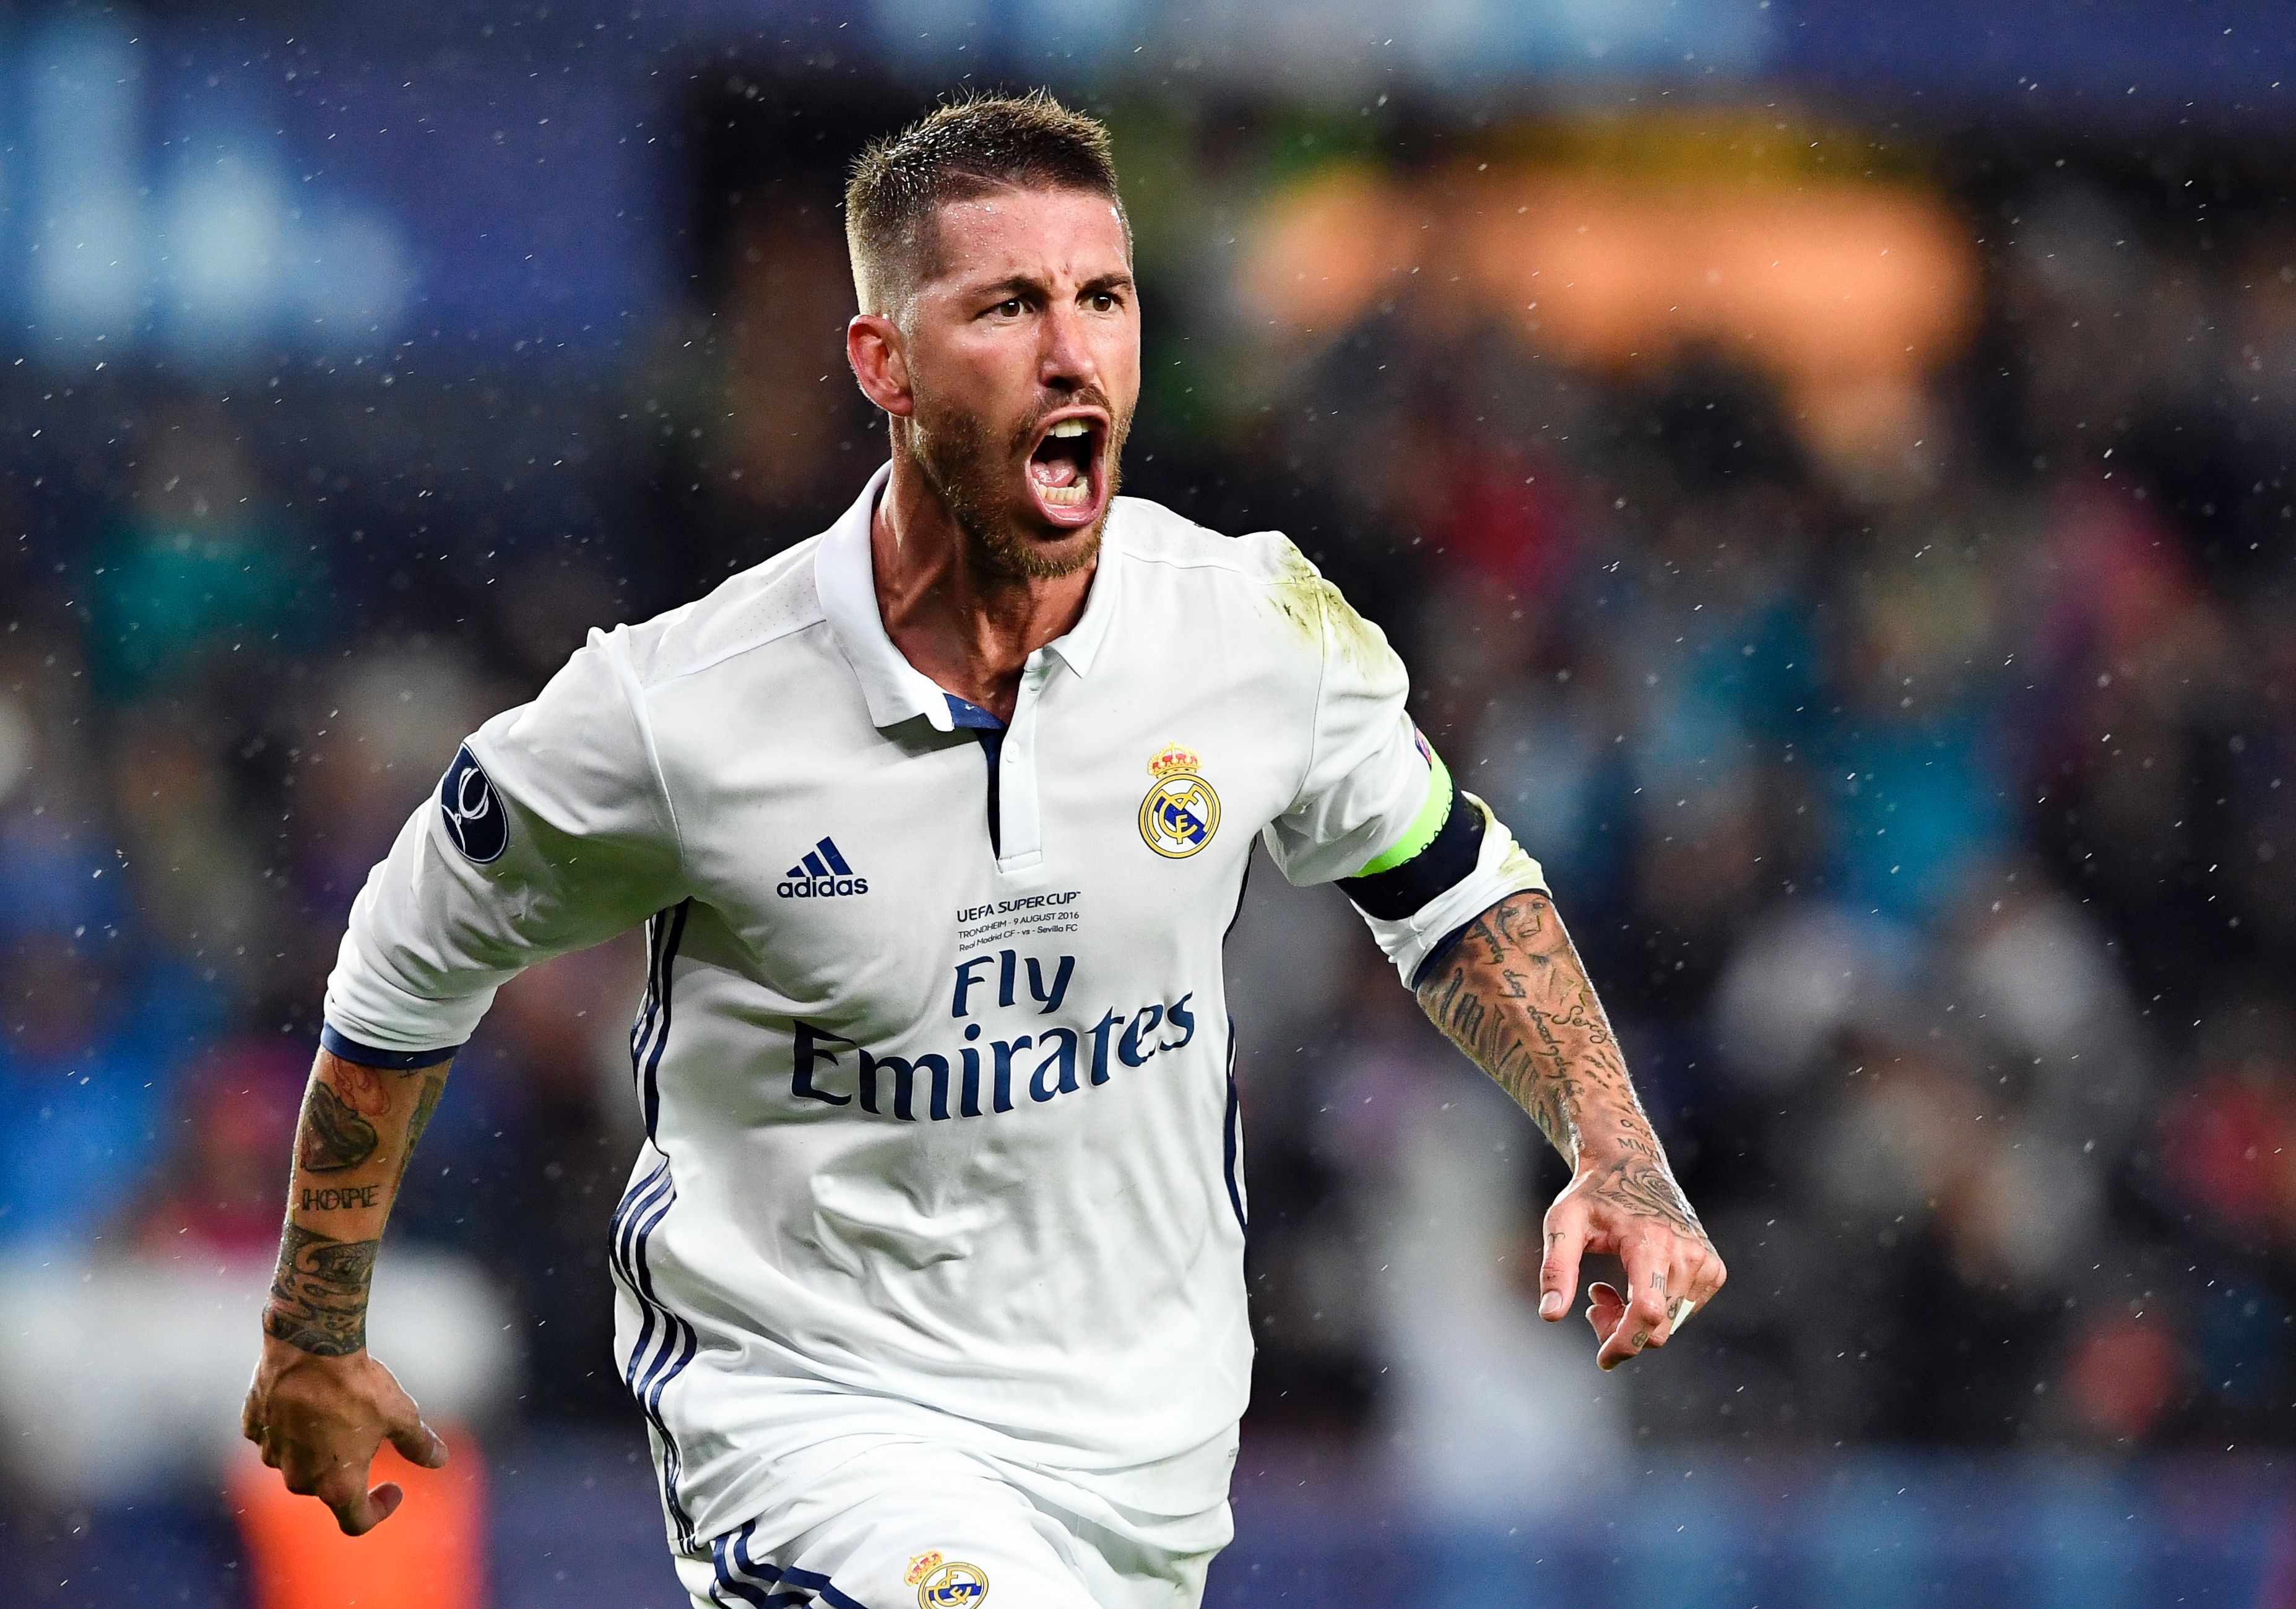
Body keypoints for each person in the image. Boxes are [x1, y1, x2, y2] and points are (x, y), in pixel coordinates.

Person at [240, 90, 1725, 1609]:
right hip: (813, 1427)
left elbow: (1448, 884)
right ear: (882, 362)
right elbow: (412, 951)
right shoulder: (677, 709)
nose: (1072, 352)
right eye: (1009, 305)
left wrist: (1615, 1146)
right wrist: (313, 1326)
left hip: (1142, 1468)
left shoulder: (1252, 629)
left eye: (1103, 299)